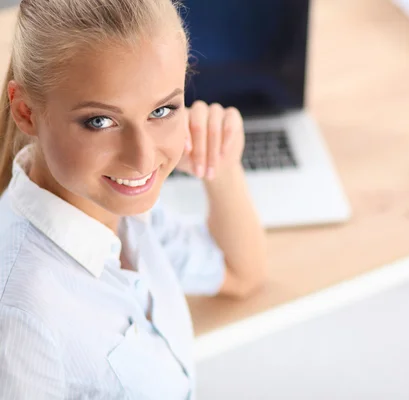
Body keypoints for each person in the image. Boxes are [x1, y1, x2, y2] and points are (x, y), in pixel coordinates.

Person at [0, 0, 267, 398]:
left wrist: (221, 165)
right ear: (26, 112)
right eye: (100, 121)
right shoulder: (22, 315)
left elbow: (240, 274)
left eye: (162, 110)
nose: (142, 158)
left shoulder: (121, 212)